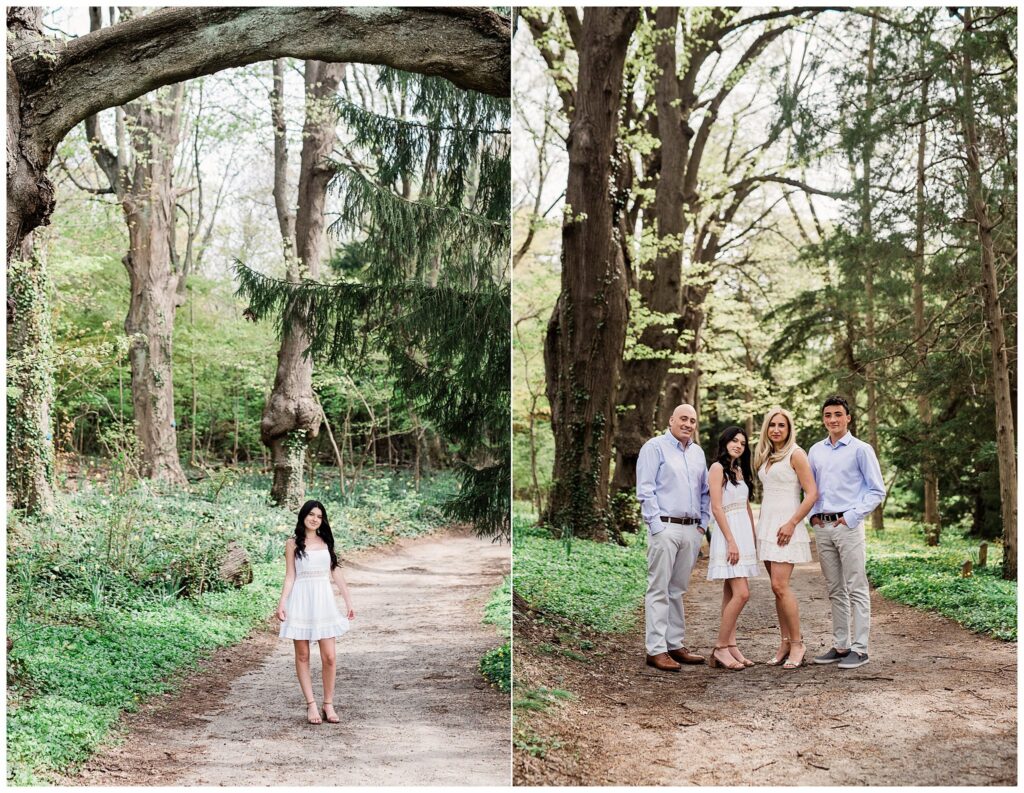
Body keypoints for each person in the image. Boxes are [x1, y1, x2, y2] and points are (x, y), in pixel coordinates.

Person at [807, 395, 885, 670]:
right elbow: (810, 489)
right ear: (823, 419)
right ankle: (841, 645)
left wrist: (852, 516)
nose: (833, 420)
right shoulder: (815, 451)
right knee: (835, 589)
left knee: (856, 587)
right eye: (828, 415)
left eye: (838, 414)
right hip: (823, 527)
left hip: (848, 526)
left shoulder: (861, 449)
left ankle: (861, 649)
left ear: (848, 418)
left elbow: (877, 490)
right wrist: (812, 516)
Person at [636, 404, 710, 672]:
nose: (688, 424)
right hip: (665, 527)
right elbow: (645, 489)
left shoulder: (698, 452)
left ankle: (675, 644)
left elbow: (706, 492)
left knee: (678, 590)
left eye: (692, 420)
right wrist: (656, 526)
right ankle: (655, 650)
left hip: (691, 529)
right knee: (658, 588)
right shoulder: (655, 447)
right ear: (671, 420)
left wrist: (702, 525)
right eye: (683, 419)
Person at [277, 500, 356, 723]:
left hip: (323, 601)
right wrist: (282, 603)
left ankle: (328, 704)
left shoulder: (325, 541)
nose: (314, 519)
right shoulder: (292, 543)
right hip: (301, 600)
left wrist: (348, 602)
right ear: (303, 516)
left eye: (319, 516)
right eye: (311, 514)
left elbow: (335, 572)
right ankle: (311, 705)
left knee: (329, 657)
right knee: (302, 655)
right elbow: (290, 575)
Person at [752, 407, 818, 670]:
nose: (777, 429)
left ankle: (798, 643)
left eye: (782, 425)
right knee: (775, 589)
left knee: (781, 586)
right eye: (772, 425)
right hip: (767, 526)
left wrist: (792, 523)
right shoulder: (767, 455)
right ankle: (785, 642)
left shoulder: (797, 454)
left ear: (789, 429)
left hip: (786, 527)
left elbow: (812, 493)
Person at [706, 426, 759, 670]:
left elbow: (746, 506)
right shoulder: (717, 468)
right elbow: (717, 508)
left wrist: (752, 536)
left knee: (730, 594)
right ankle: (719, 648)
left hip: (742, 533)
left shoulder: (739, 470)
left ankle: (731, 645)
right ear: (725, 441)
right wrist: (731, 540)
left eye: (742, 442)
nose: (738, 445)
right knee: (742, 593)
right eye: (734, 440)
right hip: (728, 533)